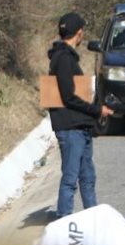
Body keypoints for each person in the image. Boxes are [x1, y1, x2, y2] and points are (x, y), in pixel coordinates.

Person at [48, 12, 113, 217]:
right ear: (79, 33)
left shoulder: (63, 58)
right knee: (70, 179)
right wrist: (97, 110)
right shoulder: (64, 59)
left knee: (88, 176)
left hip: (79, 126)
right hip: (70, 128)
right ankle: (64, 222)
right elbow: (69, 97)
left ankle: (92, 218)